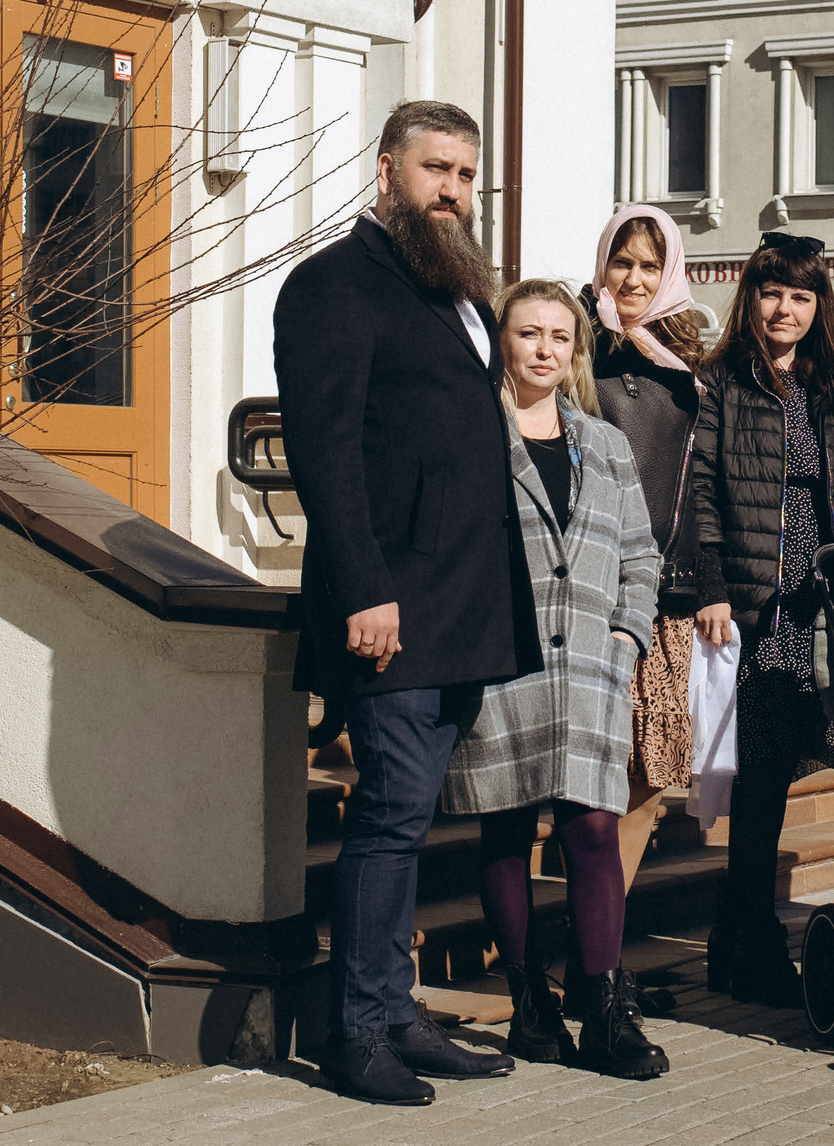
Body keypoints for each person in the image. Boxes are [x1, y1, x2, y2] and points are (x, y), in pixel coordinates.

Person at [274, 100, 527, 1106]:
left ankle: (394, 1007)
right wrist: (365, 590)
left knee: (413, 820)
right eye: (436, 170)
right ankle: (355, 1035)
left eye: (465, 174)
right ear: (387, 173)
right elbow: (324, 451)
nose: (453, 192)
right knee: (387, 818)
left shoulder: (448, 293)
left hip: (459, 611)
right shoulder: (333, 285)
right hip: (392, 611)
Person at [441, 282, 669, 1079]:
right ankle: (529, 1001)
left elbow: (641, 553)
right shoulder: (471, 432)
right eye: (527, 332)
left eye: (558, 336)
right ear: (502, 341)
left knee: (594, 829)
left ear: (576, 350)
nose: (543, 347)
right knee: (505, 826)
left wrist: (627, 630)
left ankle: (603, 1008)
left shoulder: (604, 444)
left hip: (592, 667)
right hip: (502, 658)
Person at [688, 232, 834, 1006]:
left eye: (801, 296)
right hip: (756, 608)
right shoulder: (723, 383)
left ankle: (734, 944)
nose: (785, 309)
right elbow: (698, 492)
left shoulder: (828, 388)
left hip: (815, 606)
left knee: (783, 771)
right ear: (751, 297)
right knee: (762, 780)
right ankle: (752, 942)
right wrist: (708, 587)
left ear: (818, 307)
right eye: (773, 292)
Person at [581, 204, 706, 1016]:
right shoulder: (578, 349)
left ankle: (605, 950)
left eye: (648, 267)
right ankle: (588, 954)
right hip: (593, 594)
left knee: (647, 782)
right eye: (621, 262)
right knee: (596, 779)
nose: (632, 280)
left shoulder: (692, 363)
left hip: (671, 597)